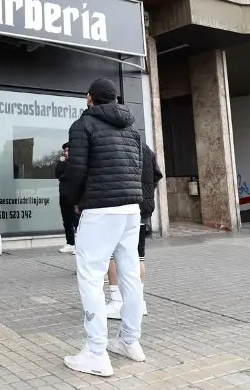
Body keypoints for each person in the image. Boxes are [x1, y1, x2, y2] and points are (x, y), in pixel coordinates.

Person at [62, 79, 145, 377]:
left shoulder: (83, 125)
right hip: (130, 208)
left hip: (100, 208)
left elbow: (76, 169)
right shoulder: (132, 127)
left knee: (90, 276)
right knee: (130, 274)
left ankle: (96, 352)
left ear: (89, 98)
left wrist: (74, 200)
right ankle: (130, 342)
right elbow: (141, 167)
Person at [107, 143, 163, 319]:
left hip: (122, 206)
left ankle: (117, 301)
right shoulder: (146, 149)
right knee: (138, 256)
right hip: (143, 206)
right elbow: (157, 174)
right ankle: (139, 303)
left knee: (113, 256)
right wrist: (146, 191)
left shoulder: (118, 144)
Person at [55, 142, 79, 254]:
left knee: (76, 221)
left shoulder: (76, 163)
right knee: (66, 221)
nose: (65, 152)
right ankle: (70, 243)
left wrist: (62, 177)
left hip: (73, 196)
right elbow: (57, 174)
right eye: (64, 151)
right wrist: (61, 162)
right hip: (63, 195)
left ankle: (79, 245)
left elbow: (70, 176)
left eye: (67, 150)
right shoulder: (63, 162)